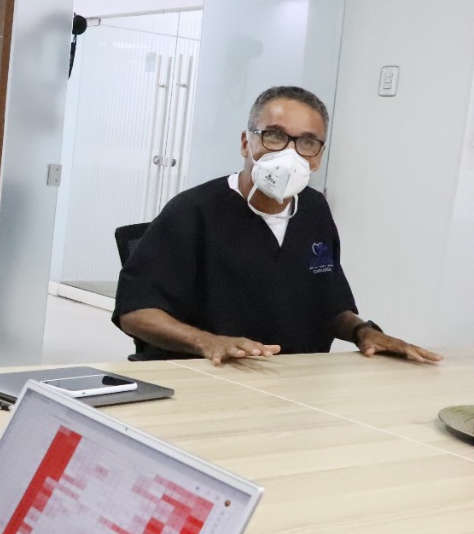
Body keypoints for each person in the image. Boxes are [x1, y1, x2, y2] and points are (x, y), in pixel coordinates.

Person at [114, 85, 441, 365]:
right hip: (210, 377)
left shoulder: (314, 210)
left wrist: (363, 332)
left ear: (318, 156)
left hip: (295, 380)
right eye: (274, 136)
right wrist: (208, 343)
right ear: (246, 142)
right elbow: (135, 312)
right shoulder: (192, 211)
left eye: (307, 142)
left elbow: (329, 303)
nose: (289, 153)